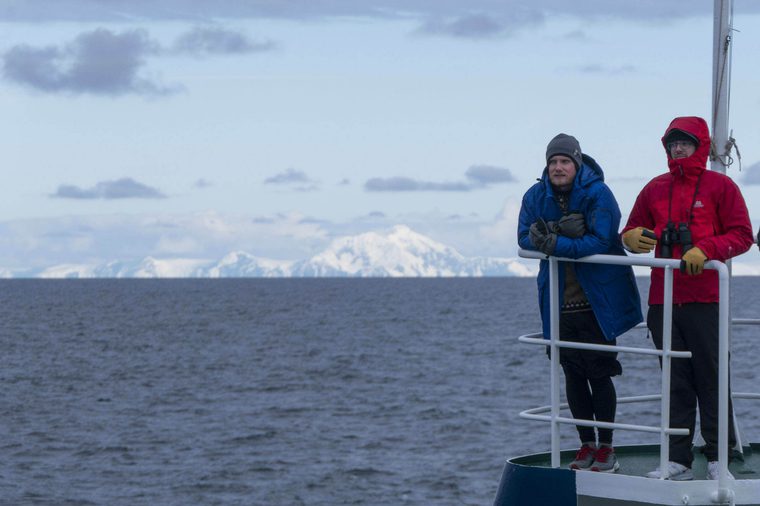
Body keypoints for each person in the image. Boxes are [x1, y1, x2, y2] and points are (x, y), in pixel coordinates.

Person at [621, 116, 754, 481]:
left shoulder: (720, 187)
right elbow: (630, 230)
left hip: (706, 298)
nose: (677, 148)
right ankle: (677, 458)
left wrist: (706, 250)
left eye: (685, 142)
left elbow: (742, 235)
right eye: (672, 143)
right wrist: (630, 238)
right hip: (663, 299)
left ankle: (718, 457)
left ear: (701, 146)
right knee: (674, 380)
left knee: (711, 378)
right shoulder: (654, 189)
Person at [518, 133, 643, 473]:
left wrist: (554, 241)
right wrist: (561, 235)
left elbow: (602, 239)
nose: (558, 167)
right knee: (572, 375)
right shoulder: (535, 195)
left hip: (596, 303)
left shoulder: (598, 193)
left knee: (600, 375)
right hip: (559, 304)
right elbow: (522, 237)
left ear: (577, 163)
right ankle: (586, 444)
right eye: (553, 162)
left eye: (564, 161)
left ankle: (607, 448)